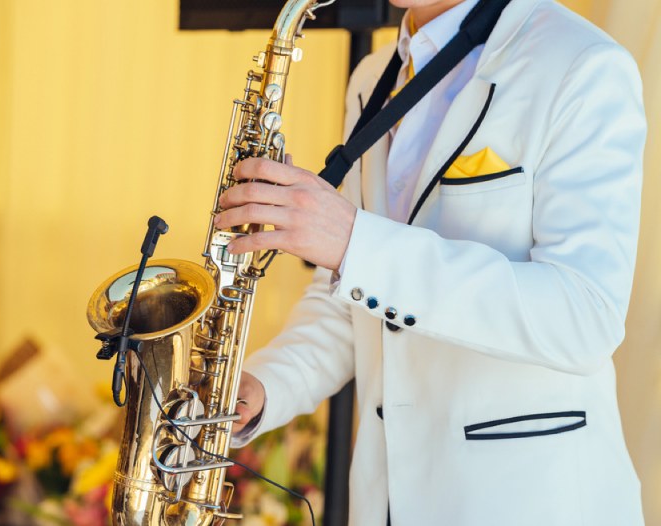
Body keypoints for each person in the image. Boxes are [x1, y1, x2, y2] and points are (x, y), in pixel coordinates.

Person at [215, 0, 646, 524]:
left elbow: (584, 315)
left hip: (526, 502)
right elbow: (357, 296)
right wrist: (264, 386)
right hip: (386, 502)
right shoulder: (372, 77)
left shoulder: (582, 65)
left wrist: (355, 242)